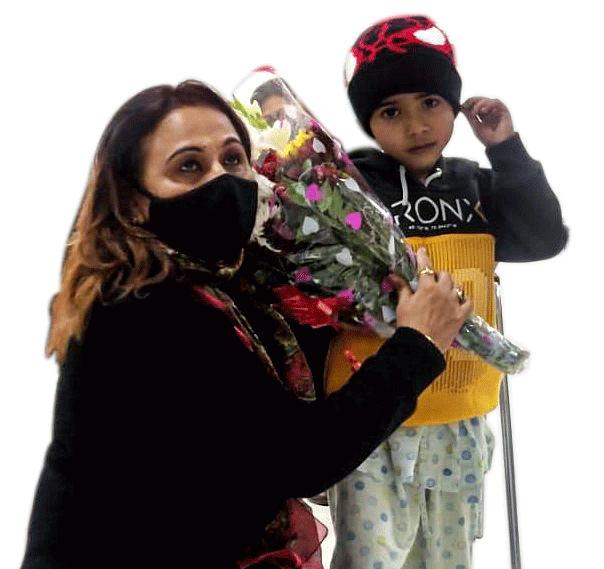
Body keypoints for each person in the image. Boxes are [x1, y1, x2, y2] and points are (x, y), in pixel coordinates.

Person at [19, 79, 473, 569]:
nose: (222, 179)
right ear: (132, 200)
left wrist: (359, 297)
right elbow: (302, 455)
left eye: (233, 159)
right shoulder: (142, 310)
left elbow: (260, 416)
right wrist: (418, 342)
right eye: (189, 166)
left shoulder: (222, 283)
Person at [325, 15, 568, 569]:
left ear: (454, 107)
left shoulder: (474, 183)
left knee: (447, 558)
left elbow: (544, 237)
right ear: (369, 121)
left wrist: (505, 149)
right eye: (391, 112)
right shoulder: (349, 186)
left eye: (431, 103)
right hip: (375, 417)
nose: (416, 126)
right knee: (369, 559)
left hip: (459, 411)